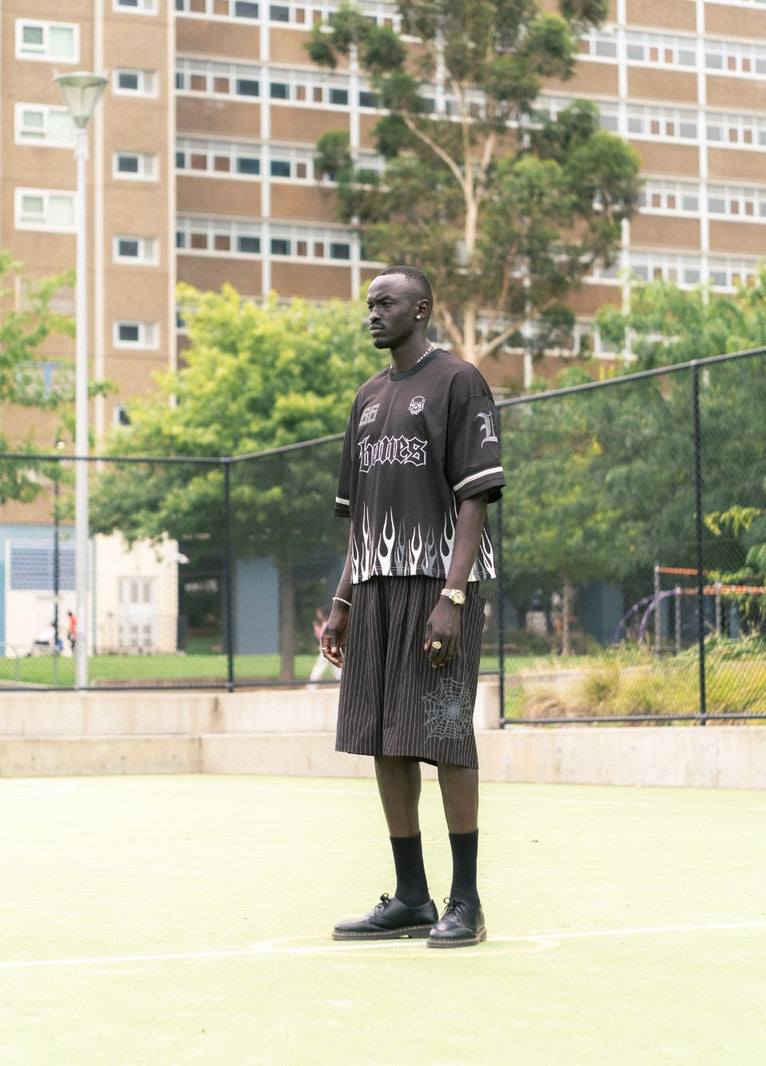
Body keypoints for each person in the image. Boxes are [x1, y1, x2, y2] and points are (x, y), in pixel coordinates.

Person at [321, 265, 505, 949]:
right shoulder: (367, 398)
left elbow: (475, 498)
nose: (372, 313)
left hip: (437, 586)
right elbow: (360, 518)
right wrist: (342, 600)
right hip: (374, 589)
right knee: (384, 737)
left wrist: (452, 596)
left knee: (445, 734)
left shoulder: (459, 382)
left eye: (386, 302)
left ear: (421, 309)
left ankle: (467, 901)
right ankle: (411, 898)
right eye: (369, 304)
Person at [308, 607, 341, 685]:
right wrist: (316, 628)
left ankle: (311, 685)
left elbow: (323, 637)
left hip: (327, 649)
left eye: (319, 612)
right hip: (329, 649)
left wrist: (316, 628)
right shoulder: (326, 623)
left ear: (323, 613)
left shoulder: (327, 623)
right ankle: (342, 684)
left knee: (319, 667)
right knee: (336, 669)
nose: (318, 614)